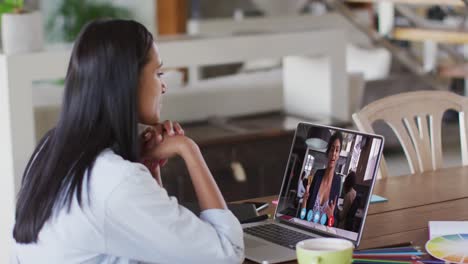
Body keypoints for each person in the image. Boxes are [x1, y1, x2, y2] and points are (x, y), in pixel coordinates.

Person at [12, 19, 244, 264]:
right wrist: (189, 150)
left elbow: (158, 245)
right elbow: (227, 253)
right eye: (158, 73)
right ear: (127, 82)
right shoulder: (115, 179)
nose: (163, 86)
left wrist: (150, 168)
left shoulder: (51, 149)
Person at [303, 132, 343, 226]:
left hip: (322, 237)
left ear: (338, 155)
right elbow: (304, 212)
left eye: (337, 150)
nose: (333, 153)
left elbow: (331, 225)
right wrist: (304, 200)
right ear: (328, 152)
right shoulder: (318, 175)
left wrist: (331, 216)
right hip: (307, 227)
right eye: (332, 149)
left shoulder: (337, 181)